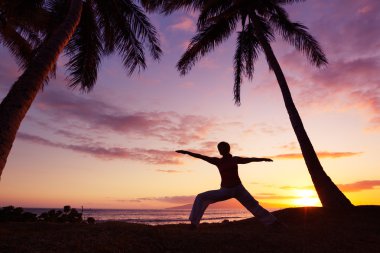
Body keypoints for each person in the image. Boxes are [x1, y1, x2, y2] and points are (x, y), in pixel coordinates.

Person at [176, 141, 281, 229]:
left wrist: (263, 159)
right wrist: (187, 152)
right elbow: (201, 156)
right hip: (225, 190)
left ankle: (273, 223)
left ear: (228, 149)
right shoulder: (217, 161)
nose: (220, 150)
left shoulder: (235, 159)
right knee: (200, 197)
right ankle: (194, 224)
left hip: (239, 189)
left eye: (222, 148)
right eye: (219, 148)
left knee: (254, 205)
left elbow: (249, 159)